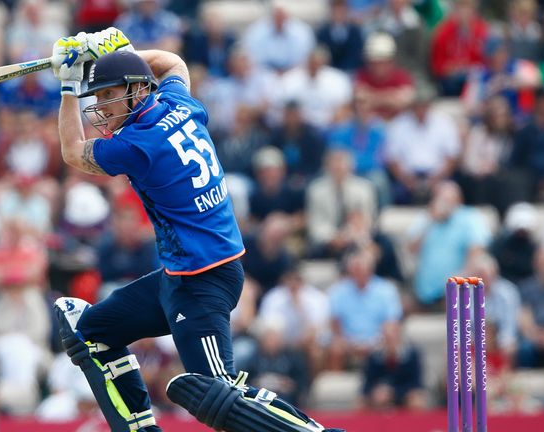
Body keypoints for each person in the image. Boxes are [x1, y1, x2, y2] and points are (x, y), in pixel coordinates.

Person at [49, 28, 338, 432]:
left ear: (135, 91)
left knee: (220, 398)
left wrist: (67, 86)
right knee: (90, 334)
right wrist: (119, 52)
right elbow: (172, 63)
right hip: (180, 276)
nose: (100, 106)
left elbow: (71, 151)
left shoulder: (137, 145)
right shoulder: (178, 102)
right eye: (96, 97)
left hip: (204, 281)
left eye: (108, 95)